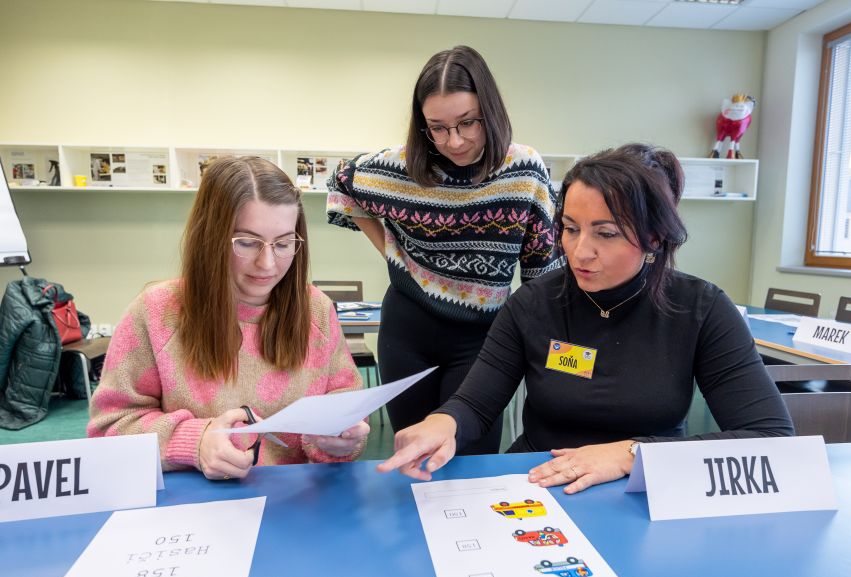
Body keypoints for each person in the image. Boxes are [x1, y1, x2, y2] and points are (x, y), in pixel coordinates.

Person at [377, 143, 794, 492]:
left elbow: (772, 438)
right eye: (570, 228)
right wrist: (442, 423)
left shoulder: (701, 309)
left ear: (654, 236)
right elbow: (476, 402)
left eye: (606, 233)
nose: (579, 252)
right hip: (539, 481)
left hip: (647, 486)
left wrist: (631, 453)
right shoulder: (534, 303)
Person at [326, 46, 560, 454]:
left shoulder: (523, 169)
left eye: (467, 122)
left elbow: (542, 271)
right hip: (407, 330)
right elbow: (342, 186)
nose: (454, 140)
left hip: (483, 339)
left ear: (490, 109)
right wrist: (394, 254)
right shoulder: (400, 166)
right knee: (412, 454)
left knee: (472, 458)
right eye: (437, 127)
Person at [88, 156, 369, 480]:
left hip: (297, 503)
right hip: (196, 505)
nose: (267, 263)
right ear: (210, 237)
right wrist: (195, 442)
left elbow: (344, 402)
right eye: (247, 242)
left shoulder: (316, 310)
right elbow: (109, 428)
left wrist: (338, 441)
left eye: (283, 243)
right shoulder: (156, 312)